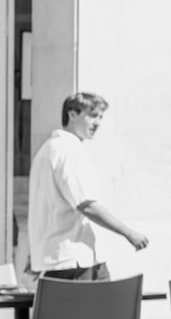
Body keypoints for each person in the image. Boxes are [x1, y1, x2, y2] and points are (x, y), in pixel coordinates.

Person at [26, 92, 147, 280]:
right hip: (76, 260)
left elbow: (45, 210)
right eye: (91, 115)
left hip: (65, 259)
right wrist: (128, 233)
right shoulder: (67, 150)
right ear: (72, 115)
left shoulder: (48, 149)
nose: (97, 123)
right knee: (97, 309)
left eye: (100, 117)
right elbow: (86, 204)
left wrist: (36, 252)